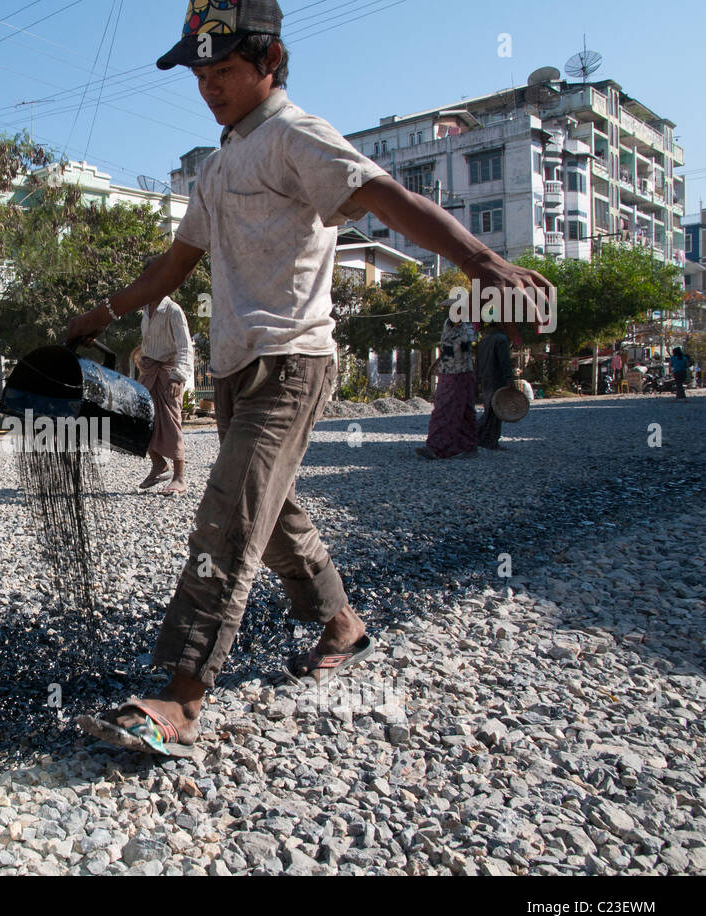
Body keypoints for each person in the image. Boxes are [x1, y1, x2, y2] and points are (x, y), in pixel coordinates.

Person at [66, 0, 551, 755]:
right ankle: (341, 624)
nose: (210, 85)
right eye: (201, 71)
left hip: (292, 361)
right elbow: (174, 263)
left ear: (270, 60)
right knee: (275, 512)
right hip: (234, 365)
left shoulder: (295, 136)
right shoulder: (220, 163)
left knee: (229, 515)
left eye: (224, 69)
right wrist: (100, 312)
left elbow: (385, 194)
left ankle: (182, 694)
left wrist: (480, 261)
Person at [136, 273, 194, 495]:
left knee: (171, 422)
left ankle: (179, 477)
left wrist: (178, 376)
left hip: (168, 374)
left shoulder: (173, 310)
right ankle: (158, 463)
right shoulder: (146, 310)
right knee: (142, 419)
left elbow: (185, 346)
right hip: (149, 371)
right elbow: (149, 342)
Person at [417, 316, 478, 459]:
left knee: (461, 409)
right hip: (447, 371)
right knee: (444, 408)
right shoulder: (447, 323)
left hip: (462, 372)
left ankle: (451, 446)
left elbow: (467, 341)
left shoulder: (468, 326)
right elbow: (446, 343)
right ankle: (439, 445)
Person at [475, 320, 513, 451]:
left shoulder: (484, 340)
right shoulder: (501, 339)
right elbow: (504, 361)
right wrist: (509, 379)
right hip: (497, 378)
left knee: (489, 409)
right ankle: (490, 440)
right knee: (496, 411)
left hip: (485, 378)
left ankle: (483, 438)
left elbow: (478, 362)